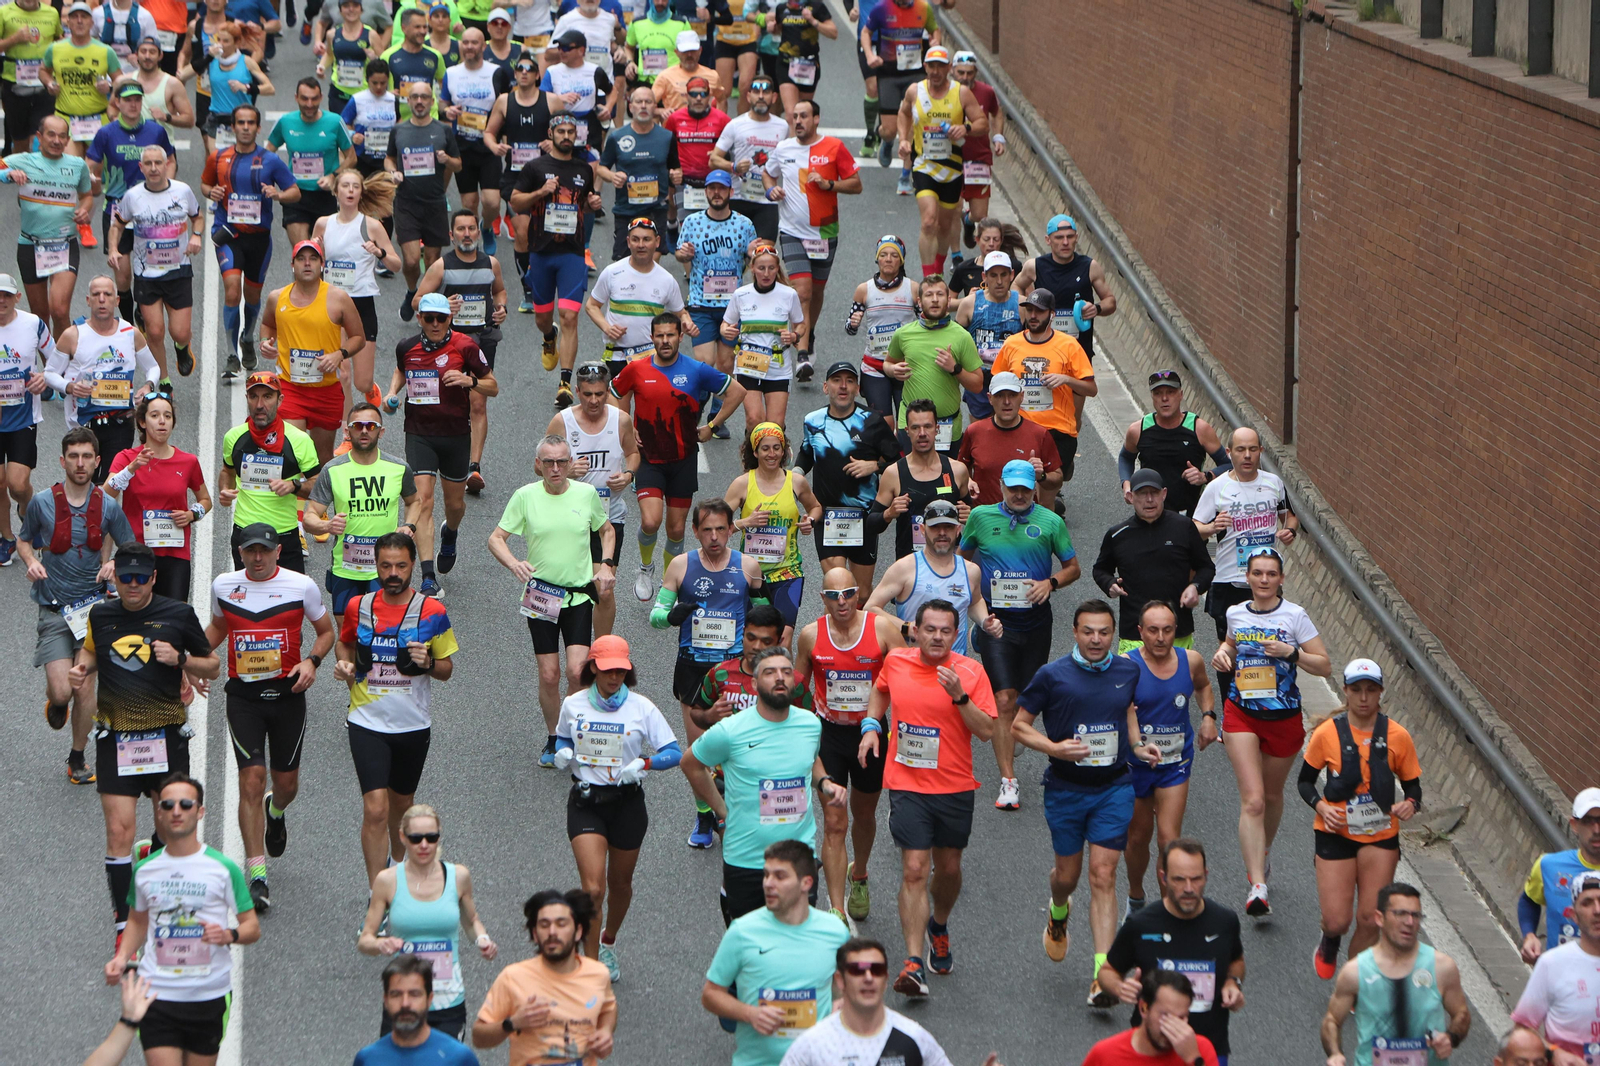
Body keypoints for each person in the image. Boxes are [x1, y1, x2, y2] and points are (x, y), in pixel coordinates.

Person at [1012, 599, 1160, 1007]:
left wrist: (1137, 745)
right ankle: (1058, 910)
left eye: (1104, 632)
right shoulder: (1051, 675)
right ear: (1074, 633)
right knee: (1067, 876)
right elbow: (1018, 726)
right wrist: (1054, 748)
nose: (1097, 640)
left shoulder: (1128, 669)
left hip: (1115, 787)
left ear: (1113, 634)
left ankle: (1103, 974)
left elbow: (1126, 711)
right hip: (1065, 789)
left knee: (1103, 874)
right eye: (1088, 632)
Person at [72, 543, 219, 939]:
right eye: (125, 578)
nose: (133, 585)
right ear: (114, 577)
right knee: (119, 832)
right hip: (116, 738)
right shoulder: (100, 615)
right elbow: (89, 654)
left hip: (165, 737)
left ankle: (157, 893)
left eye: (141, 578)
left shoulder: (177, 614)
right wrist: (80, 670)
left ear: (153, 578)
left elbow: (214, 667)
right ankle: (125, 925)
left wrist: (182, 660)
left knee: (171, 830)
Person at [858, 598, 996, 997]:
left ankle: (939, 923)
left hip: (954, 786)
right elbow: (880, 691)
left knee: (948, 870)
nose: (937, 636)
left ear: (956, 635)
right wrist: (871, 725)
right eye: (929, 629)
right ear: (914, 630)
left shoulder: (970, 672)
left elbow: (986, 730)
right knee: (915, 869)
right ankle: (913, 963)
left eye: (945, 630)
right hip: (906, 783)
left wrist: (960, 697)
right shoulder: (897, 661)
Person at [202, 522, 333, 911]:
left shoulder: (301, 585)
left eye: (264, 551)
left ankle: (276, 812)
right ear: (240, 553)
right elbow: (218, 627)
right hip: (244, 696)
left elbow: (326, 631)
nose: (257, 558)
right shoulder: (224, 585)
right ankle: (256, 875)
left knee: (286, 784)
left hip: (288, 695)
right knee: (251, 779)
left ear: (277, 551)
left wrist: (312, 662)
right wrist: (186, 661)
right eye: (249, 551)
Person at [103, 773, 261, 1064]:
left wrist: (229, 935)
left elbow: (252, 927)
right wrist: (123, 956)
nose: (177, 811)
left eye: (186, 804)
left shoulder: (223, 869)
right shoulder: (145, 870)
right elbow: (138, 921)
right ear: (159, 813)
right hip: (156, 993)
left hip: (208, 995)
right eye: (168, 805)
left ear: (200, 812)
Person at [332, 531, 459, 884]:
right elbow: (344, 646)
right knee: (375, 808)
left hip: (412, 726)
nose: (393, 573)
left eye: (400, 566)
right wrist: (344, 667)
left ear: (412, 566)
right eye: (385, 565)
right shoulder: (359, 607)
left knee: (401, 807)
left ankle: (398, 872)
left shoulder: (432, 611)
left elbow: (447, 670)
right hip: (366, 721)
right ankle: (379, 893)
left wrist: (429, 662)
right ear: (375, 565)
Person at [553, 635, 682, 980]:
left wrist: (645, 764)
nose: (614, 678)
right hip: (586, 802)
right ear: (592, 667)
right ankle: (592, 964)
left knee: (620, 883)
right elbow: (563, 737)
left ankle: (608, 939)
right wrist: (561, 753)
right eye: (608, 670)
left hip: (626, 804)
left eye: (621, 671)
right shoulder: (574, 704)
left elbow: (674, 752)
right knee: (593, 888)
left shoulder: (642, 707)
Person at [684, 647, 846, 922]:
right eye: (770, 673)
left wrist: (825, 783)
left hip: (798, 858)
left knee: (793, 952)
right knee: (751, 956)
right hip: (746, 859)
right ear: (756, 684)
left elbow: (810, 758)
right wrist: (722, 811)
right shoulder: (731, 730)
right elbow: (691, 764)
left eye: (786, 672)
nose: (780, 678)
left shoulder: (810, 724)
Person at [1212, 546, 1330, 917]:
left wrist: (1291, 653)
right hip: (1241, 713)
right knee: (1254, 799)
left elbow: (1324, 666)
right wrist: (1222, 655)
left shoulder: (1295, 616)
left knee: (1274, 796)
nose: (1263, 580)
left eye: (1271, 574)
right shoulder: (1235, 613)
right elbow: (1229, 646)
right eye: (1257, 573)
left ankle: (1263, 851)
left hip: (1283, 718)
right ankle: (1257, 885)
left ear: (1281, 579)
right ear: (1246, 577)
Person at [959, 458, 1080, 810]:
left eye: (1026, 489)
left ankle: (1012, 729)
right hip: (998, 624)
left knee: (1027, 699)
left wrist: (1050, 583)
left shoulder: (1051, 522)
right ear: (1002, 484)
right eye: (1012, 488)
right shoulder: (981, 518)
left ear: (1034, 489)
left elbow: (1073, 568)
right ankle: (1008, 781)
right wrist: (975, 598)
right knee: (1004, 699)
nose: (1019, 495)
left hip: (1037, 623)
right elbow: (964, 560)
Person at [489, 433, 616, 767]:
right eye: (549, 462)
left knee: (577, 671)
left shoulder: (587, 494)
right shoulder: (525, 497)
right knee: (549, 675)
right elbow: (496, 538)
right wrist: (514, 562)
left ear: (571, 462)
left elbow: (607, 530)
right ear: (538, 465)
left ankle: (571, 734)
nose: (557, 468)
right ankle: (552, 738)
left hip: (577, 597)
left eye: (562, 461)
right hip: (541, 597)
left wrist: (605, 564)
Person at [19, 427, 135, 784]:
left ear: (97, 462)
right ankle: (56, 702)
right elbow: (24, 542)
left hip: (93, 612)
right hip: (54, 611)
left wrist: (115, 563)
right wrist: (31, 562)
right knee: (62, 690)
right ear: (62, 461)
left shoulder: (109, 506)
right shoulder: (41, 502)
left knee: (84, 686)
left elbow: (130, 548)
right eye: (74, 456)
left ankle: (77, 756)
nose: (80, 463)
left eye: (87, 457)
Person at [1303, 659, 1423, 978]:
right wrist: (1320, 806)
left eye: (1371, 690)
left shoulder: (1398, 736)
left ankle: (1354, 981)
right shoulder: (1328, 733)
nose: (1364, 697)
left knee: (1370, 918)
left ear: (1381, 693)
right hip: (1336, 832)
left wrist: (1411, 803)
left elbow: (1413, 786)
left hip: (1381, 835)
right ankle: (1329, 939)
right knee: (1337, 920)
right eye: (1356, 690)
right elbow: (1304, 781)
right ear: (1345, 692)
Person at [795, 567, 903, 921]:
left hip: (870, 735)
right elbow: (799, 688)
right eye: (832, 595)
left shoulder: (882, 629)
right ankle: (837, 910)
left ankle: (860, 874)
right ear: (822, 598)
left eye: (849, 594)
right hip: (829, 734)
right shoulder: (810, 636)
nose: (841, 602)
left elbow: (904, 681)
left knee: (865, 814)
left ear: (859, 594)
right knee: (835, 821)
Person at [611, 313, 741, 599]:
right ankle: (645, 568)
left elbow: (737, 392)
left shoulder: (696, 369)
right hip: (649, 461)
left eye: (670, 335)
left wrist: (712, 426)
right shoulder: (635, 369)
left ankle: (669, 584)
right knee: (650, 522)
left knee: (676, 530)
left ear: (681, 337)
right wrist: (625, 430)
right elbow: (615, 394)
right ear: (652, 337)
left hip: (683, 460)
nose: (665, 341)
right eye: (659, 335)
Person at [358, 805, 498, 1041]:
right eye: (416, 838)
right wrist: (379, 945)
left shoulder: (458, 876)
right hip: (403, 1000)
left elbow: (472, 920)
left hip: (447, 998)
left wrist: (482, 939)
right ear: (402, 837)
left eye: (431, 838)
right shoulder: (387, 881)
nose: (424, 845)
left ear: (438, 837)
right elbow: (365, 939)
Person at [702, 840, 851, 1062]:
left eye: (780, 876)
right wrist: (750, 1014)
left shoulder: (835, 932)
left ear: (806, 883)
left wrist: (842, 1004)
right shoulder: (743, 932)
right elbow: (710, 994)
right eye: (766, 875)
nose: (768, 884)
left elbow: (846, 985)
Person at [389, 291, 496, 596]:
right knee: (422, 501)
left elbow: (494, 386)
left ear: (450, 318)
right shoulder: (406, 346)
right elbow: (401, 370)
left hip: (455, 436)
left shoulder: (465, 346)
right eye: (428, 318)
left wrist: (470, 381)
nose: (435, 324)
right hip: (419, 433)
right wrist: (391, 393)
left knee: (455, 505)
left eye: (441, 318)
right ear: (420, 318)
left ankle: (450, 532)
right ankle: (426, 575)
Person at [1101, 839, 1245, 1066]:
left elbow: (1236, 960)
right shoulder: (1141, 925)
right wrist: (1119, 987)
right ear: (1164, 877)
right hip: (1151, 1050)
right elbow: (1108, 971)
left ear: (1206, 875)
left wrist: (1232, 982)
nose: (1189, 888)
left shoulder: (1224, 922)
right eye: (1179, 879)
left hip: (1208, 1048)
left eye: (1196, 879)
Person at [1120, 601, 1214, 917]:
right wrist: (1133, 744)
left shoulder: (1191, 661)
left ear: (1177, 631)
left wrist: (1208, 717)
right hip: (1135, 766)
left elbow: (1203, 686)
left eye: (1168, 630)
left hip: (1175, 763)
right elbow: (1120, 709)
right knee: (1137, 839)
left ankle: (1166, 911)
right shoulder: (1126, 666)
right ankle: (1135, 898)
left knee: (1168, 839)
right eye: (1153, 630)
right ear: (1140, 632)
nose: (1160, 637)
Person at [780, 936, 1003, 1066]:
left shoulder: (914, 1037)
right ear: (840, 980)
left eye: (876, 970)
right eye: (858, 971)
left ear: (885, 979)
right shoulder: (811, 1046)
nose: (868, 977)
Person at [1192, 426, 1297, 688]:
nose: (1247, 455)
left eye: (1252, 449)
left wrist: (1289, 531)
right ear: (1229, 453)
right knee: (1229, 652)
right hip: (1228, 580)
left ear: (1261, 451)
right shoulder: (1217, 488)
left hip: (1266, 581)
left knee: (1265, 648)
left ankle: (1260, 702)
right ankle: (1232, 712)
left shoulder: (1273, 483)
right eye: (1240, 450)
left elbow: (1290, 516)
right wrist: (1212, 527)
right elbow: (1193, 528)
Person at [1321, 883, 1469, 1066]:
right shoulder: (1355, 972)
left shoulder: (1442, 967)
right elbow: (1332, 1021)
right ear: (1379, 918)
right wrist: (1335, 1054)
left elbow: (1461, 1014)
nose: (1409, 922)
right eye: (1400, 914)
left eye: (1416, 915)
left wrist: (1451, 1037)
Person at [199, 104, 299, 379]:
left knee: (252, 297)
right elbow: (205, 184)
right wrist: (213, 192)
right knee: (232, 291)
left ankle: (248, 335)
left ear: (257, 127)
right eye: (240, 122)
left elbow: (295, 192)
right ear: (232, 127)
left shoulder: (270, 160)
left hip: (259, 240)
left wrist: (277, 195)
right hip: (229, 234)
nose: (245, 127)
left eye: (250, 123)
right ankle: (232, 355)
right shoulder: (218, 157)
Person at [413, 210, 508, 493]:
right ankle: (439, 455)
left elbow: (500, 292)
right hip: (448, 343)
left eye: (472, 229)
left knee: (478, 402)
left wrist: (501, 309)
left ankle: (473, 468)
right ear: (452, 235)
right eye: (461, 230)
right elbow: (418, 301)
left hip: (481, 341)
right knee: (447, 401)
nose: (467, 234)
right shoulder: (441, 266)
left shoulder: (491, 263)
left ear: (478, 233)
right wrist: (442, 304)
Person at [762, 99, 859, 379]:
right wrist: (771, 191)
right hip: (791, 231)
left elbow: (856, 183)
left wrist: (830, 184)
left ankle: (809, 333)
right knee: (802, 291)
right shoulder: (783, 148)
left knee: (816, 292)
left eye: (804, 116)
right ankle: (802, 355)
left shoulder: (834, 147)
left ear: (816, 118)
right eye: (794, 117)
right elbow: (768, 174)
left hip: (825, 232)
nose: (798, 121)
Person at [471, 889, 617, 1062]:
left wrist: (605, 1031)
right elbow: (478, 1038)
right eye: (544, 925)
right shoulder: (513, 978)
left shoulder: (597, 974)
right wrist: (512, 1023)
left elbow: (608, 1008)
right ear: (535, 934)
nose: (552, 932)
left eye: (561, 924)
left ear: (578, 931)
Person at [683, 602, 784, 847]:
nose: (757, 647)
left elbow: (808, 727)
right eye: (751, 638)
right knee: (734, 849)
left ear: (779, 641)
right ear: (742, 634)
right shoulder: (720, 674)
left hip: (775, 781)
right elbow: (696, 713)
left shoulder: (790, 682)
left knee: (770, 855)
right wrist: (709, 716)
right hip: (728, 780)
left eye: (766, 641)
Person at [508, 112, 598, 390]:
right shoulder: (535, 167)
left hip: (572, 254)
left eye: (572, 132)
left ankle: (565, 382)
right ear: (551, 134)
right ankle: (549, 337)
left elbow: (581, 204)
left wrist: (592, 203)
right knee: (542, 318)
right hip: (542, 252)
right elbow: (515, 201)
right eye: (562, 132)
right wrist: (540, 192)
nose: (567, 136)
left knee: (570, 316)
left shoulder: (584, 169)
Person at [259, 239, 369, 465]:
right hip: (290, 388)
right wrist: (265, 342)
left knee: (323, 458)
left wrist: (339, 354)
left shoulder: (338, 298)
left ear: (322, 265)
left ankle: (316, 501)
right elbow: (268, 324)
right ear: (292, 265)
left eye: (313, 259)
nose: (307, 264)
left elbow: (359, 338)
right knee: (292, 453)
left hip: (326, 390)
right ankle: (292, 499)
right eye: (301, 259)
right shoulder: (277, 297)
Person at [87, 84, 176, 361]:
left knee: (146, 267)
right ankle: (129, 321)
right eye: (128, 101)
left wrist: (167, 187)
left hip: (149, 210)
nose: (133, 105)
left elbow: (170, 160)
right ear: (118, 103)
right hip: (116, 209)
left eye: (138, 100)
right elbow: (90, 164)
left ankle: (142, 309)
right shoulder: (106, 132)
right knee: (122, 274)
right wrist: (94, 182)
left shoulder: (155, 131)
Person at [305, 403, 421, 615]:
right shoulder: (333, 470)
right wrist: (327, 525)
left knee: (384, 630)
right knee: (346, 637)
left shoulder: (398, 468)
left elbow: (414, 501)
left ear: (381, 431)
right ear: (347, 431)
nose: (365, 430)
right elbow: (309, 516)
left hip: (386, 568)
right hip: (346, 568)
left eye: (371, 425)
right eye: (358, 426)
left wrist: (408, 525)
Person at [551, 362, 638, 639]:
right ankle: (569, 640)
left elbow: (633, 453)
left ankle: (601, 650)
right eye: (587, 394)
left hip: (609, 517)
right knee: (569, 585)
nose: (594, 400)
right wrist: (566, 470)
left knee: (604, 587)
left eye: (600, 394)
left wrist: (628, 474)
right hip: (569, 518)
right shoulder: (562, 421)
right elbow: (539, 465)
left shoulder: (620, 419)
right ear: (576, 391)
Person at [797, 362, 900, 593]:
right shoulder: (813, 421)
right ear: (825, 387)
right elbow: (805, 454)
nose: (843, 387)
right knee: (838, 588)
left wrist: (875, 465)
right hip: (828, 516)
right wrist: (792, 478)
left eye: (850, 381)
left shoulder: (872, 421)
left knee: (861, 593)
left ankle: (860, 628)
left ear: (858, 388)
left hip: (864, 517)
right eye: (836, 380)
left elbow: (900, 461)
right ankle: (831, 630)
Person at [48, 274, 160, 484]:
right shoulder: (73, 334)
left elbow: (153, 367)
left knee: (110, 483)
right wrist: (69, 387)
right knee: (84, 482)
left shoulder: (130, 333)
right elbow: (49, 373)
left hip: (121, 420)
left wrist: (148, 385)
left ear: (116, 301)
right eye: (96, 294)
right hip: (84, 422)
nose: (102, 299)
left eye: (107, 294)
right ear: (88, 300)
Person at [989, 287, 1095, 503]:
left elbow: (1091, 389)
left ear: (1052, 314)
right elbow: (996, 384)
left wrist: (1066, 379)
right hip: (1019, 428)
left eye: (1040, 311)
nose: (1034, 316)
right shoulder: (1012, 344)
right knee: (1018, 493)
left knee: (1046, 497)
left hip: (1057, 431)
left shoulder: (1068, 345)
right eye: (1030, 310)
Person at [107, 144, 201, 382]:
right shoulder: (133, 196)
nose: (154, 168)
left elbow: (197, 217)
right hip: (146, 273)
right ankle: (164, 381)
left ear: (167, 164)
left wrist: (196, 236)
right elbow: (117, 225)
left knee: (180, 332)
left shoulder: (182, 191)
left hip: (178, 270)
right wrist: (114, 249)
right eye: (148, 164)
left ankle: (182, 348)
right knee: (155, 331)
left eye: (158, 163)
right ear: (141, 167)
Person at [1093, 468, 1214, 654]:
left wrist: (1195, 587)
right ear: (1131, 496)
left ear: (1164, 494)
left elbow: (1206, 567)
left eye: (1154, 493)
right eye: (1142, 494)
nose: (1149, 500)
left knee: (1177, 683)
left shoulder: (1183, 527)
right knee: (1136, 683)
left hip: (1176, 631)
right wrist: (1109, 584)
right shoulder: (1117, 535)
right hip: (1134, 633)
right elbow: (1100, 570)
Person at [105, 393, 212, 602]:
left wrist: (192, 514)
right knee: (138, 617)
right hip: (136, 551)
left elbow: (206, 500)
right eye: (155, 416)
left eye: (168, 416)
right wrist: (132, 468)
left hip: (175, 554)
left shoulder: (188, 461)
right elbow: (106, 494)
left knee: (172, 619)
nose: (162, 421)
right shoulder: (126, 458)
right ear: (143, 422)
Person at [864, 498, 997, 658]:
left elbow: (975, 601)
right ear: (922, 529)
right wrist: (908, 628)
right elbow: (870, 609)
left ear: (958, 530)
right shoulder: (905, 568)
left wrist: (984, 621)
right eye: (935, 527)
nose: (942, 533)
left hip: (954, 666)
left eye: (948, 527)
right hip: (913, 663)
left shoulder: (970, 570)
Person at [312, 167, 403, 401]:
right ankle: (346, 430)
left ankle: (370, 390)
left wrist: (380, 252)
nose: (350, 191)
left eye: (355, 186)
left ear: (361, 192)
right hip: (333, 304)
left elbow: (396, 264)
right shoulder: (323, 224)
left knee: (362, 382)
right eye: (345, 186)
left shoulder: (371, 226)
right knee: (342, 373)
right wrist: (316, 251)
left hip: (362, 305)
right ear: (335, 191)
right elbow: (310, 266)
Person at [1, 113, 94, 338]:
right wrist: (8, 173)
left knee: (59, 310)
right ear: (39, 137)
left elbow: (87, 195)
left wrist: (84, 209)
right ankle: (50, 367)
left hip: (64, 243)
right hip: (30, 244)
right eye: (51, 135)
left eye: (62, 136)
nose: (56, 141)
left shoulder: (76, 165)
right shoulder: (23, 160)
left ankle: (64, 365)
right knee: (40, 316)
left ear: (68, 139)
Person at [218, 371, 321, 573]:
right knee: (247, 599)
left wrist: (294, 486)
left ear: (280, 400)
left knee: (291, 601)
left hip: (283, 534)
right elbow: (227, 471)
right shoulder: (233, 437)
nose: (259, 405)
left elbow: (318, 485)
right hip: (245, 532)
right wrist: (224, 490)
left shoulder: (299, 440)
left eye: (267, 396)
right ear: (246, 398)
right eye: (254, 396)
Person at [726, 422, 819, 645]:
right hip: (750, 574)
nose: (772, 454)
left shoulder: (796, 482)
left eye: (777, 448)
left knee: (783, 639)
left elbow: (815, 507)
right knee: (751, 639)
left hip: (787, 572)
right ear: (755, 452)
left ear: (785, 451)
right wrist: (745, 522)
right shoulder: (741, 484)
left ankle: (781, 679)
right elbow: (718, 525)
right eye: (765, 448)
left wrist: (810, 521)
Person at [896, 46, 981, 278]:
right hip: (924, 165)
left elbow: (982, 122)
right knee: (928, 221)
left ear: (948, 69)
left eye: (940, 66)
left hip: (952, 168)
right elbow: (903, 112)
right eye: (931, 66)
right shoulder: (915, 91)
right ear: (925, 67)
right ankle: (928, 278)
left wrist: (965, 128)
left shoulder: (961, 93)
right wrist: (904, 139)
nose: (935, 71)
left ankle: (938, 268)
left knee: (944, 226)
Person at [675, 168, 753, 420]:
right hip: (701, 304)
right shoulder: (692, 222)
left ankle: (717, 417)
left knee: (726, 364)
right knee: (705, 362)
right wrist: (683, 255)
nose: (716, 193)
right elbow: (679, 253)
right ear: (706, 192)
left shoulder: (744, 224)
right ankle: (698, 403)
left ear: (730, 191)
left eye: (721, 188)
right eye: (711, 189)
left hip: (732, 306)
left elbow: (752, 257)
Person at [882, 274, 982, 457]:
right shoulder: (903, 334)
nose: (935, 300)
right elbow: (887, 363)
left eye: (940, 294)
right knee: (912, 479)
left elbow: (977, 385)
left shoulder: (962, 336)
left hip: (948, 426)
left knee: (944, 482)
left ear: (949, 299)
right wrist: (892, 370)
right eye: (929, 295)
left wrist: (955, 369)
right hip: (910, 423)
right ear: (919, 302)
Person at [387, 80, 462, 318]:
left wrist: (446, 160)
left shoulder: (444, 130)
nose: (419, 101)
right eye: (415, 97)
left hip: (434, 202)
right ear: (408, 101)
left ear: (431, 102)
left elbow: (458, 165)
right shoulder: (398, 130)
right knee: (410, 260)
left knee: (432, 261)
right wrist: (392, 172)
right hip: (407, 202)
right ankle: (412, 291)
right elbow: (389, 158)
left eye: (424, 97)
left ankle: (427, 305)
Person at [586, 219, 693, 386]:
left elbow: (680, 313)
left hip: (652, 357)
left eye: (646, 239)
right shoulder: (612, 272)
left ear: (657, 242)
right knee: (619, 411)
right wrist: (607, 327)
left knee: (650, 410)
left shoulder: (666, 280)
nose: (640, 244)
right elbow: (591, 305)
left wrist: (686, 321)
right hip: (617, 355)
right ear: (628, 242)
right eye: (635, 239)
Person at [1511, 871, 1600, 1066]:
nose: (1597, 910)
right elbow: (1522, 1029)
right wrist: (1553, 1053)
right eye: (1587, 903)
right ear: (1573, 916)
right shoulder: (1553, 964)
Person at [485, 54, 552, 312]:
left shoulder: (551, 100)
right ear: (515, 74)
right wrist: (495, 146)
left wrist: (553, 142)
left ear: (537, 75)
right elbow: (489, 133)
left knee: (545, 235)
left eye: (529, 69)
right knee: (522, 233)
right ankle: (528, 289)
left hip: (546, 175)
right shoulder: (504, 101)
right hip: (515, 178)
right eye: (519, 68)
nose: (524, 72)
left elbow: (570, 130)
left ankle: (545, 278)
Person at [866, 399, 970, 559]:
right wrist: (888, 513)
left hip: (950, 563)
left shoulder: (957, 470)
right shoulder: (894, 473)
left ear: (937, 429)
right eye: (915, 427)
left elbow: (973, 519)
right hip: (910, 566)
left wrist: (970, 517)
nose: (922, 433)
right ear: (907, 431)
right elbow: (871, 524)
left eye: (927, 426)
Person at [0, 272, 55, 565]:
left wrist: (44, 377)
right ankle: (7, 538)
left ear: (16, 298)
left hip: (22, 416)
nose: (1, 301)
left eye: (6, 295)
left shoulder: (32, 324)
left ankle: (26, 508)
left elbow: (57, 358)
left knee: (17, 484)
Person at [1120, 369, 1229, 516]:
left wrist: (1205, 476)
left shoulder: (1199, 428)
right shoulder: (1138, 430)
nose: (1164, 398)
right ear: (1152, 397)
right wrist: (1126, 484)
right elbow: (1126, 457)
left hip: (1190, 516)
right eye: (1158, 393)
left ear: (1181, 395)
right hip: (1151, 515)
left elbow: (1228, 465)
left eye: (1170, 392)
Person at [441, 30, 512, 250]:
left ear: (483, 46)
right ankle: (470, 246)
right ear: (461, 45)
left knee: (491, 202)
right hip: (462, 146)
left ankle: (488, 226)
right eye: (466, 42)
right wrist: (448, 111)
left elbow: (507, 106)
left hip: (488, 146)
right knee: (469, 203)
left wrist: (507, 141)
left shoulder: (496, 72)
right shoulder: (451, 73)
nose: (470, 46)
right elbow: (442, 103)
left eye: (475, 43)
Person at [1014, 213, 1116, 363]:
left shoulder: (1089, 266)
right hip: (1043, 349)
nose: (1065, 242)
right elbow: (1016, 286)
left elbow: (1110, 301)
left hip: (1078, 350)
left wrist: (1097, 308)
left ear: (1076, 238)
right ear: (1048, 240)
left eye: (1070, 236)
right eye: (1059, 237)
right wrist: (1024, 306)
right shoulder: (1035, 266)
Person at [860, 0, 938, 195]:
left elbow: (934, 30)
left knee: (912, 124)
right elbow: (866, 32)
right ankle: (886, 142)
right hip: (889, 74)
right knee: (889, 129)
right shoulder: (882, 8)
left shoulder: (923, 7)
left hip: (915, 74)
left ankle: (905, 175)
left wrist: (935, 42)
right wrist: (870, 55)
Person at [721, 242, 803, 427]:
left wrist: (794, 336)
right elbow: (726, 323)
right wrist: (725, 330)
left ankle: (774, 454)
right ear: (752, 269)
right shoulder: (741, 294)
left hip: (778, 366)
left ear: (777, 269)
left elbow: (801, 325)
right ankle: (750, 456)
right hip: (748, 364)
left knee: (775, 424)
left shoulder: (789, 294)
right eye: (761, 268)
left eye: (771, 268)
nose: (766, 274)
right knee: (754, 419)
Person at [269, 77, 357, 247]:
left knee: (322, 256)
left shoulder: (334, 122)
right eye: (304, 99)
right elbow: (267, 154)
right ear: (296, 98)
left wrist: (333, 176)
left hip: (325, 196)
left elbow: (352, 157)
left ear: (321, 97)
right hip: (296, 195)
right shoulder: (286, 122)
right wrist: (278, 179)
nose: (309, 104)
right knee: (303, 252)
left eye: (314, 99)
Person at [1518, 787, 1600, 964]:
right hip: (1560, 979)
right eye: (1588, 821)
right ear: (1574, 825)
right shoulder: (1549, 865)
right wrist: (1529, 935)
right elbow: (1529, 900)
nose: (1596, 829)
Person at [598, 85, 680, 261]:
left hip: (656, 209)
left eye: (648, 102)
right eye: (639, 102)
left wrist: (676, 175)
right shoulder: (617, 137)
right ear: (630, 106)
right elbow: (601, 168)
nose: (643, 106)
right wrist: (613, 176)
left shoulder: (666, 137)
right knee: (625, 265)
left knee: (652, 263)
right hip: (626, 209)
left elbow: (676, 168)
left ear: (654, 107)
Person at [955, 371, 1061, 506]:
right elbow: (961, 468)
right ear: (990, 398)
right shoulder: (974, 431)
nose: (1006, 402)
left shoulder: (1039, 434)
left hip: (1024, 518)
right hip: (986, 518)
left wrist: (1042, 476)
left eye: (1012, 395)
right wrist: (967, 482)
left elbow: (1057, 479)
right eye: (999, 396)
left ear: (1022, 396)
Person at [353, 953, 481, 1065]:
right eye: (396, 994)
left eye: (414, 994)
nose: (405, 1003)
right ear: (385, 1000)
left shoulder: (459, 1058)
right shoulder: (367, 1059)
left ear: (429, 999)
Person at [41, 3, 118, 182]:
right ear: (68, 22)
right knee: (73, 175)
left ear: (92, 22)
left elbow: (120, 81)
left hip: (97, 120)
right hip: (67, 119)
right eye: (75, 17)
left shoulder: (105, 51)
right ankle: (76, 209)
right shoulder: (55, 48)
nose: (79, 21)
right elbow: (43, 70)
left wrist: (110, 87)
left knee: (95, 181)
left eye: (84, 17)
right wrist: (49, 82)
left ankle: (91, 205)